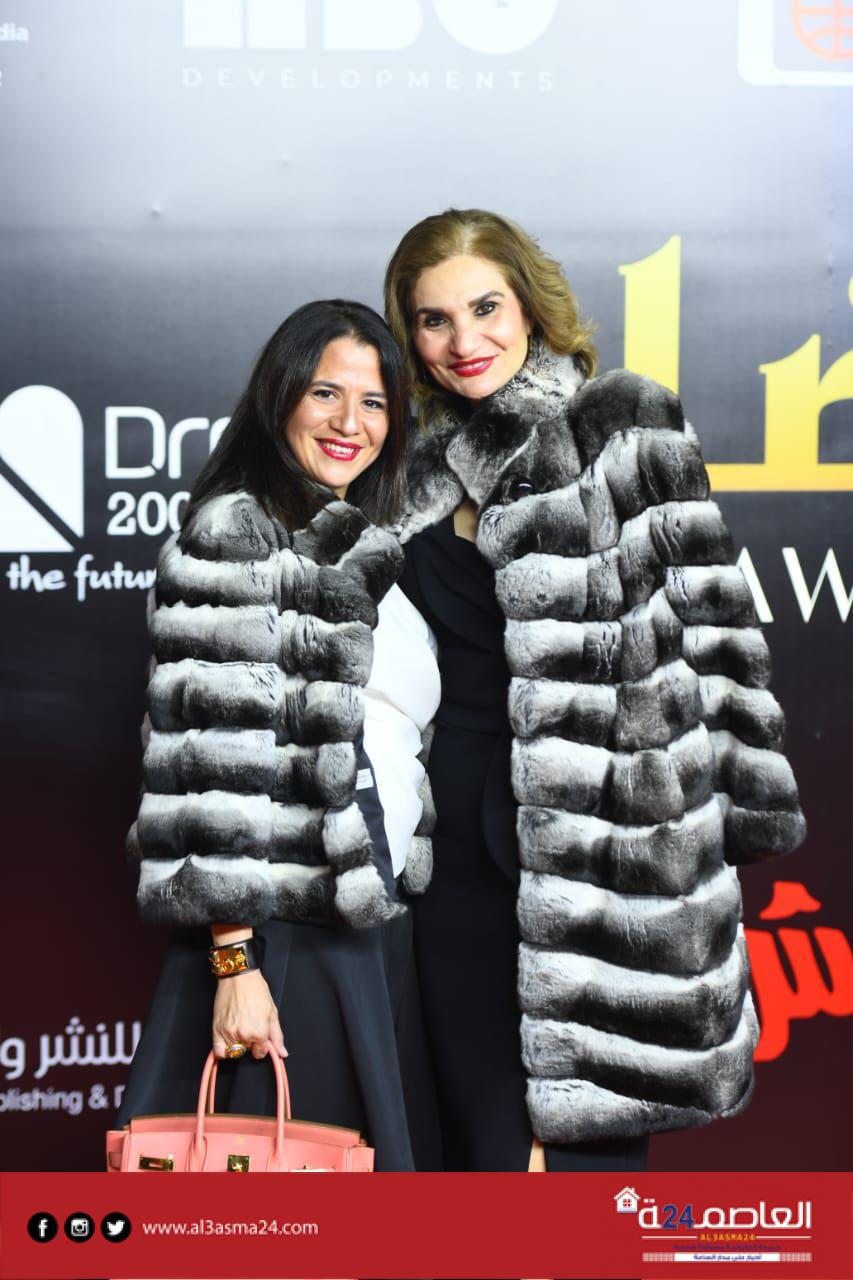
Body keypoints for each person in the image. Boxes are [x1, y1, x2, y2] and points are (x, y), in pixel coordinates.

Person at [383, 208, 807, 1173]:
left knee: (574, 1170)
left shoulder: (622, 422)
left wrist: (731, 814)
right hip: (451, 861)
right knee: (467, 1151)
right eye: (433, 319)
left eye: (485, 308)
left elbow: (715, 627)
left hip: (606, 850)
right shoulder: (405, 471)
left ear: (530, 308)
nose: (463, 340)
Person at [115, 299, 442, 1171]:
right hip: (281, 938)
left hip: (368, 924)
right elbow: (210, 772)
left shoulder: (359, 541)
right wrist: (236, 965)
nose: (349, 423)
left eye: (374, 402)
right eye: (325, 393)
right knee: (279, 1209)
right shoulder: (237, 532)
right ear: (281, 396)